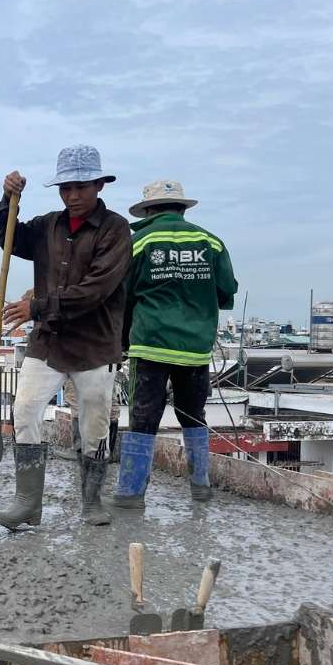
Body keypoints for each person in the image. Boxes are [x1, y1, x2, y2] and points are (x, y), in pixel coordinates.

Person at [0, 145, 131, 530]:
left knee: (94, 424)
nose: (73, 195)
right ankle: (27, 503)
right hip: (49, 341)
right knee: (24, 410)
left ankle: (91, 501)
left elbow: (95, 290)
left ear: (100, 185)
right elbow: (9, 238)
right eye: (66, 188)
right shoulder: (48, 225)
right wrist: (7, 200)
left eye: (81, 187)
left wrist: (36, 307)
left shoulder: (116, 229)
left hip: (95, 344)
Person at [113, 180, 238, 509]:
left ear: (149, 211)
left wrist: (122, 341)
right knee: (193, 415)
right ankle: (201, 487)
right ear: (182, 208)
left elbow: (123, 296)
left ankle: (130, 494)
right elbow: (226, 291)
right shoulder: (211, 243)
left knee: (143, 419)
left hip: (150, 345)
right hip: (195, 348)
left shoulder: (139, 242)